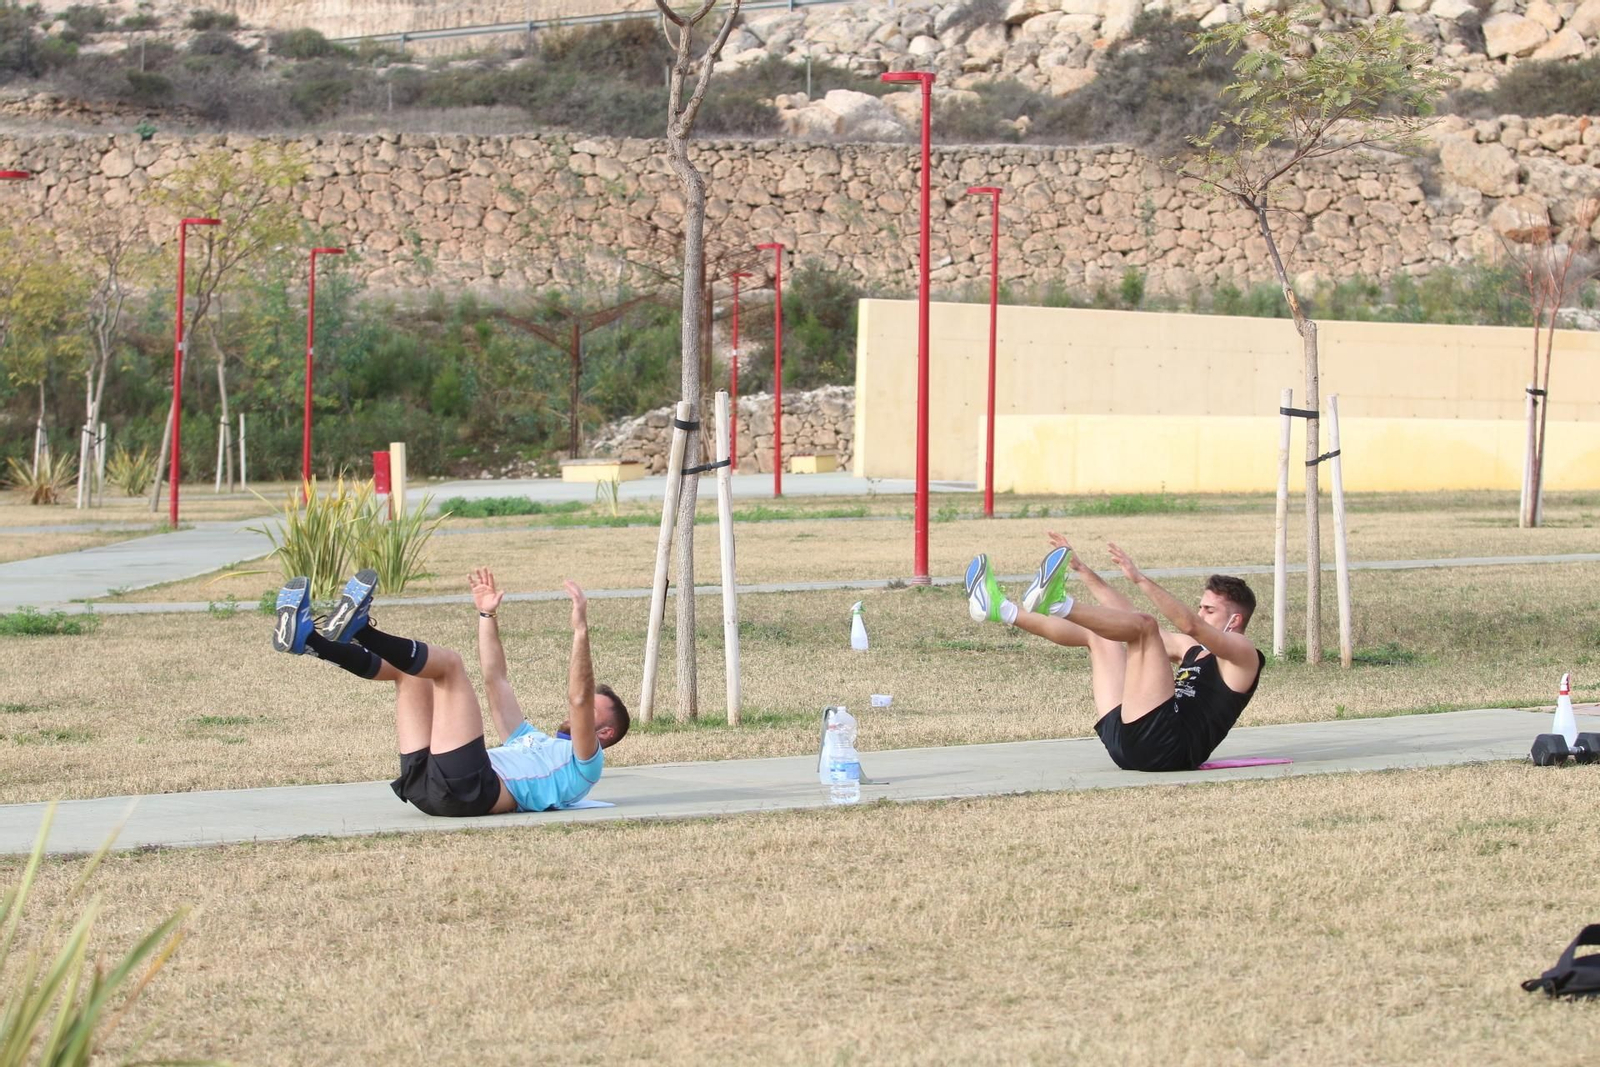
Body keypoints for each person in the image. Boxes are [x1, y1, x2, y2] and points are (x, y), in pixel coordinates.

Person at [271, 565, 629, 816]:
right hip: (426, 787)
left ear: (605, 732)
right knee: (411, 675)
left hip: (470, 792)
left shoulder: (586, 763)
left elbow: (578, 697)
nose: (575, 715)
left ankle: (359, 630)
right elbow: (495, 678)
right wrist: (487, 617)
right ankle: (312, 641)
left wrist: (581, 631)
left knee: (450, 667)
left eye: (590, 715)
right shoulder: (529, 739)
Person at [965, 533, 1264, 772]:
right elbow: (1125, 616)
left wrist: (1141, 580)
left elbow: (1187, 624)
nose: (1200, 613)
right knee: (1102, 634)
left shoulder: (1242, 653)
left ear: (1234, 620)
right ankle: (998, 608)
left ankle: (1057, 604)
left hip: (1168, 749)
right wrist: (1083, 570)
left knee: (1143, 627)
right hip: (1129, 743)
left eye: (1209, 610)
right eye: (1200, 606)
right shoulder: (1192, 650)